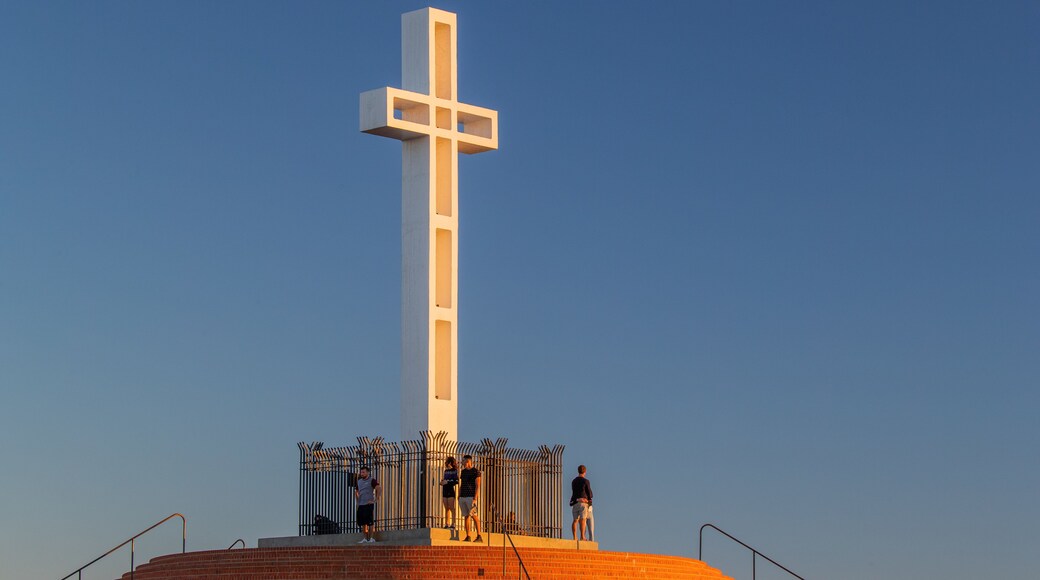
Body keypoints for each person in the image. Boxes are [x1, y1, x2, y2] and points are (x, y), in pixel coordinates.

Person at [458, 454, 483, 542]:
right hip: (463, 496)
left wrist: (475, 498)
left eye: (463, 460)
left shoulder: (476, 471)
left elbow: (477, 485)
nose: (462, 462)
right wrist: (459, 495)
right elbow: (462, 484)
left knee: (474, 516)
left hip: (471, 497)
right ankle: (468, 536)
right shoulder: (463, 472)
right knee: (466, 516)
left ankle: (479, 535)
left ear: (468, 461)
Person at [354, 465, 381, 543]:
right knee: (363, 523)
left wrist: (376, 499)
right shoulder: (359, 481)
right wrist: (357, 501)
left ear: (368, 472)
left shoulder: (372, 480)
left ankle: (371, 538)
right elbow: (356, 491)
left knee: (370, 522)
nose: (362, 474)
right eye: (361, 472)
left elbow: (379, 488)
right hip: (361, 504)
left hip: (368, 504)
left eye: (363, 472)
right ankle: (365, 538)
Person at [569, 464, 593, 541]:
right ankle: (582, 536)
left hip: (575, 502)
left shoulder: (574, 481)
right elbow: (590, 493)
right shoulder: (586, 481)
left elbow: (574, 492)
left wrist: (577, 499)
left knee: (575, 520)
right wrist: (588, 500)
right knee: (583, 519)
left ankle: (575, 537)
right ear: (585, 472)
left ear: (578, 471)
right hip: (583, 503)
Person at [439, 456, 460, 530]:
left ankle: (453, 523)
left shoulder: (454, 470)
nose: (446, 463)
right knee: (446, 508)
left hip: (450, 490)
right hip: (445, 490)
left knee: (451, 507)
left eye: (447, 461)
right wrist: (442, 482)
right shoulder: (445, 471)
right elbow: (445, 480)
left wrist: (447, 482)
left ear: (450, 462)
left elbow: (456, 481)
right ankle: (447, 523)